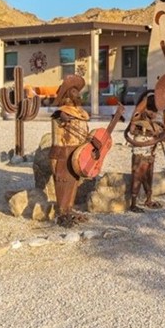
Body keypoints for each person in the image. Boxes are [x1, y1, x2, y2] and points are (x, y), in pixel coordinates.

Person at [49, 74, 91, 228]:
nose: (77, 94)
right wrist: (64, 117)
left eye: (77, 92)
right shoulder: (62, 111)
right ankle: (62, 213)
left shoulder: (79, 112)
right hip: (63, 151)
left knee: (73, 181)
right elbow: (59, 116)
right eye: (73, 92)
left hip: (77, 150)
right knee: (63, 181)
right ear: (67, 94)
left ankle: (69, 209)